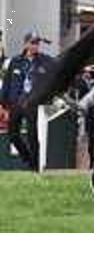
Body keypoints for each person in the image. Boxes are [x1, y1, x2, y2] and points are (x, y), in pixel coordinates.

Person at [0, 30, 55, 170]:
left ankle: (35, 167)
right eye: (33, 43)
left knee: (32, 135)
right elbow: (7, 83)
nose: (35, 46)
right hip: (16, 102)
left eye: (37, 43)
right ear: (26, 44)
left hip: (32, 103)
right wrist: (3, 103)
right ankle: (28, 158)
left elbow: (57, 71)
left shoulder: (45, 61)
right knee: (13, 135)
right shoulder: (15, 61)